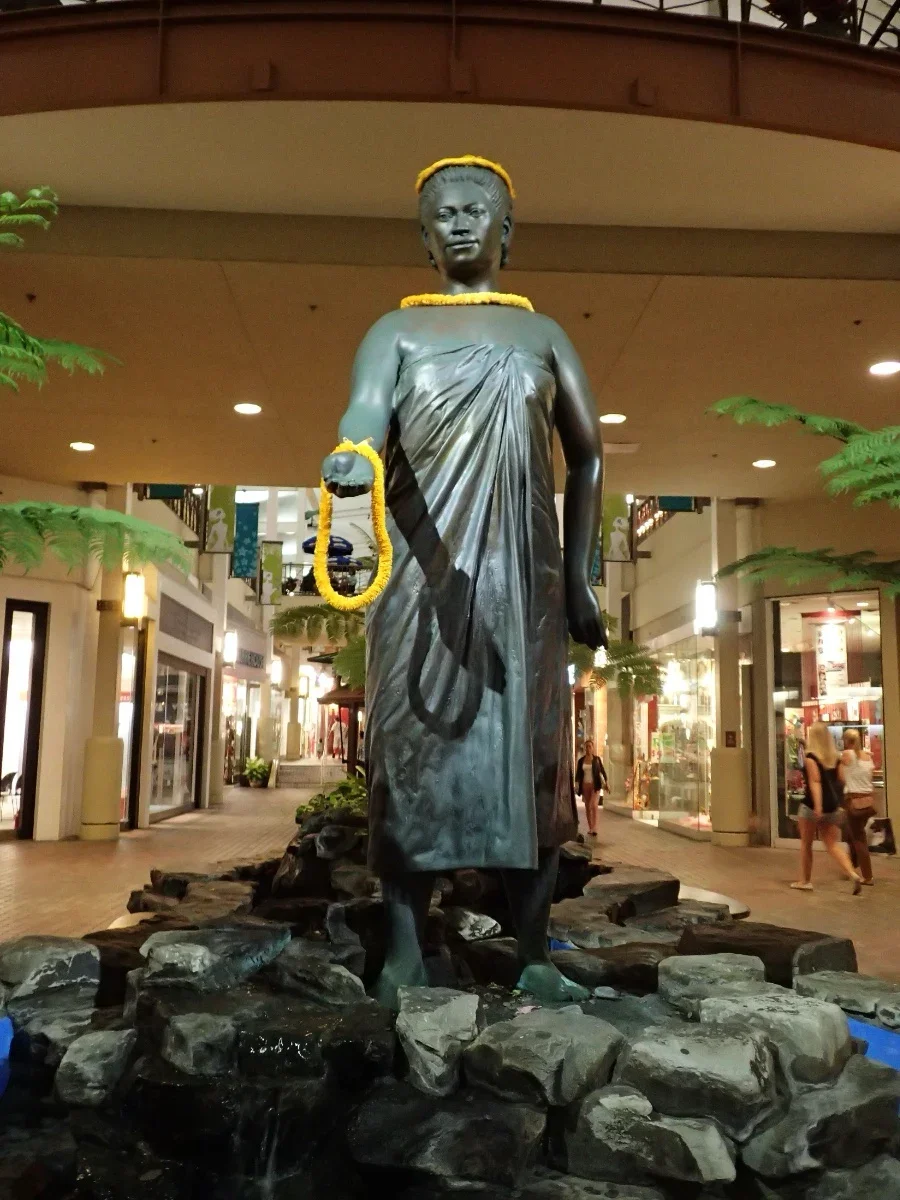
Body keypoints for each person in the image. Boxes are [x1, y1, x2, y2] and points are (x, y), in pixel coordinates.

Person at [320, 155, 606, 1006]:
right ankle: (406, 942)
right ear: (422, 234)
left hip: (527, 579)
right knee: (411, 751)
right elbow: (365, 417)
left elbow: (589, 455)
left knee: (535, 760)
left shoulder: (545, 335)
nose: (459, 221)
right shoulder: (392, 333)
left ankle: (533, 950)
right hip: (419, 573)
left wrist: (583, 577)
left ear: (508, 231)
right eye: (441, 212)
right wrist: (351, 454)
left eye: (477, 209)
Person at [791, 720, 862, 895]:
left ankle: (805, 881)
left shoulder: (810, 758)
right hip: (833, 806)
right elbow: (841, 781)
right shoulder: (835, 758)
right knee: (832, 844)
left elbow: (815, 782)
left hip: (812, 806)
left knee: (806, 844)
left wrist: (818, 806)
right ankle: (852, 873)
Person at [841, 728, 875, 886]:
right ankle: (852, 867)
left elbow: (839, 774)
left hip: (854, 802)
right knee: (851, 835)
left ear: (848, 741)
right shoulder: (868, 756)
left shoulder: (847, 755)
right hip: (868, 801)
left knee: (859, 839)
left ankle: (867, 876)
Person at [575, 739, 608, 837]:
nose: (588, 748)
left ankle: (595, 828)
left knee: (593, 805)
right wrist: (576, 784)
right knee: (587, 807)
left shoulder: (596, 760)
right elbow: (578, 774)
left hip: (595, 785)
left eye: (590, 746)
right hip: (585, 785)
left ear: (593, 748)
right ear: (585, 748)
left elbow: (602, 771)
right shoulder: (581, 761)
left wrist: (606, 782)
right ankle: (590, 828)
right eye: (587, 747)